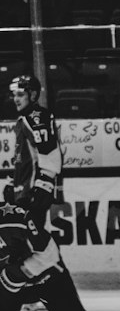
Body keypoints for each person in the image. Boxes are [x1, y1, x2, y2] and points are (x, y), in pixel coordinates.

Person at [0, 197, 92, 311]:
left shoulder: (13, 218)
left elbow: (48, 255)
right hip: (7, 289)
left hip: (47, 278)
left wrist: (18, 274)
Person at [8, 72, 62, 227]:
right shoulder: (23, 120)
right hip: (24, 190)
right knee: (22, 242)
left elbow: (49, 153)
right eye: (14, 95)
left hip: (34, 191)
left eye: (20, 94)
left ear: (32, 95)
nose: (15, 99)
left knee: (33, 242)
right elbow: (24, 158)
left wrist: (44, 184)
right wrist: (14, 182)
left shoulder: (38, 117)